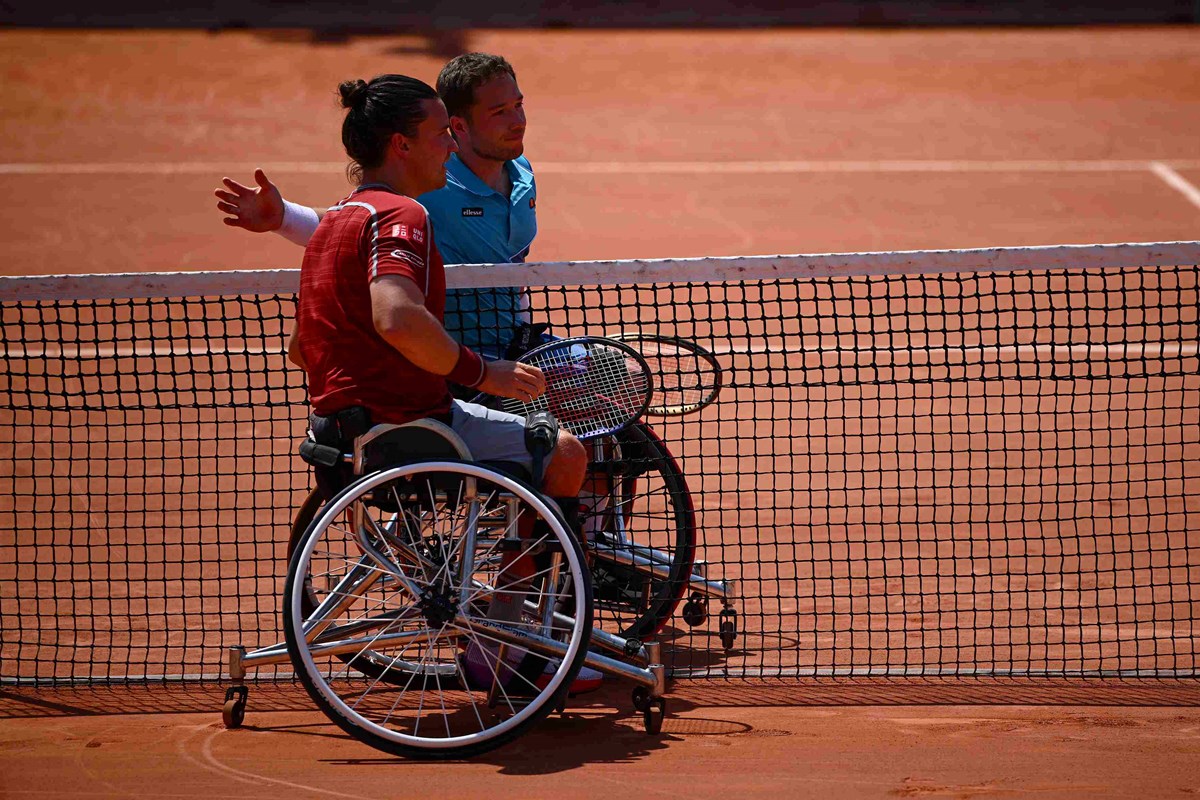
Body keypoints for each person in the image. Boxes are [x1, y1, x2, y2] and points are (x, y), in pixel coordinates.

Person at [216, 53, 539, 361]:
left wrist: (522, 332)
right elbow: (356, 226)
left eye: (519, 105)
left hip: (511, 346)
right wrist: (284, 216)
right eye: (500, 112)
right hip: (453, 358)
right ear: (460, 125)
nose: (519, 121)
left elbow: (512, 263)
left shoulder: (521, 171)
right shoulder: (430, 180)